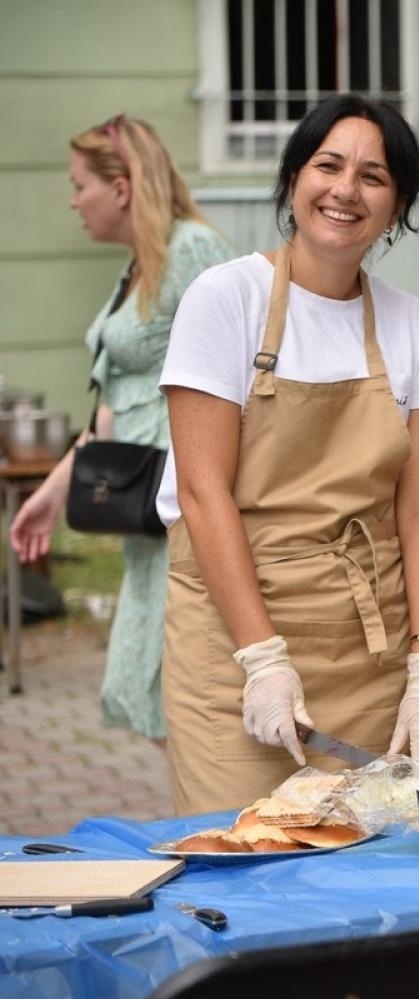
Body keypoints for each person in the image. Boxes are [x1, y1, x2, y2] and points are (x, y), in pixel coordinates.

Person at [159, 94, 419, 815]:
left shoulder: (412, 325)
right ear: (294, 178)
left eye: (373, 176)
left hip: (367, 647)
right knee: (240, 857)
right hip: (233, 637)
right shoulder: (224, 298)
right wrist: (262, 659)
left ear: (398, 206)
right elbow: (204, 494)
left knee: (361, 864)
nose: (345, 190)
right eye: (328, 165)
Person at [9, 115, 230, 745]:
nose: (73, 199)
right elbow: (114, 403)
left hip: (184, 509)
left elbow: (240, 378)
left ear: (123, 187)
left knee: (190, 695)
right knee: (158, 694)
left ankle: (224, 828)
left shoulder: (193, 253)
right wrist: (52, 495)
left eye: (81, 184)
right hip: (144, 514)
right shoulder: (139, 266)